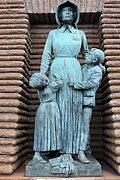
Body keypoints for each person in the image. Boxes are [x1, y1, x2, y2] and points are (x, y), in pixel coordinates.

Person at [39, 1, 89, 161]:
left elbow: (86, 55)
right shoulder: (53, 34)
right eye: (64, 10)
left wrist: (96, 67)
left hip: (74, 70)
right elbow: (47, 54)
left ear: (75, 15)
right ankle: (55, 149)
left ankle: (76, 150)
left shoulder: (80, 34)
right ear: (59, 15)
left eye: (70, 10)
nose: (67, 12)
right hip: (57, 70)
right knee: (57, 110)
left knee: (74, 109)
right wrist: (42, 74)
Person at [69, 48, 105, 163]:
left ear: (94, 59)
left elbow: (91, 84)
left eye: (89, 54)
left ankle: (81, 152)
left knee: (84, 129)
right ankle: (75, 150)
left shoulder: (97, 71)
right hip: (76, 100)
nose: (87, 55)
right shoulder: (83, 67)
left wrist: (75, 84)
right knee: (75, 127)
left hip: (87, 102)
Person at [29, 72, 63, 163]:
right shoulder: (51, 87)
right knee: (52, 130)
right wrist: (57, 75)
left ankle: (46, 151)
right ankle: (49, 151)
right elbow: (60, 82)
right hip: (51, 109)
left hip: (42, 109)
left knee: (41, 132)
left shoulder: (39, 89)